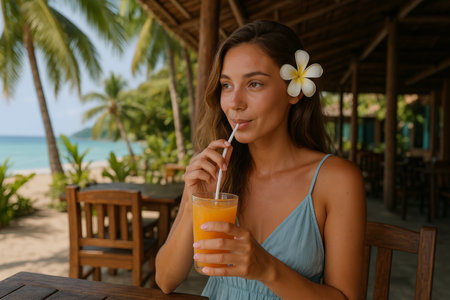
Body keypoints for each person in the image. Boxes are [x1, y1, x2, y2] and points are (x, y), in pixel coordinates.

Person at [155, 20, 366, 300]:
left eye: (254, 83)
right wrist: (194, 199)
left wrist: (266, 269)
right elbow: (166, 280)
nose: (234, 102)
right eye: (226, 85)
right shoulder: (215, 172)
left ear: (294, 92)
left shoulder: (336, 180)